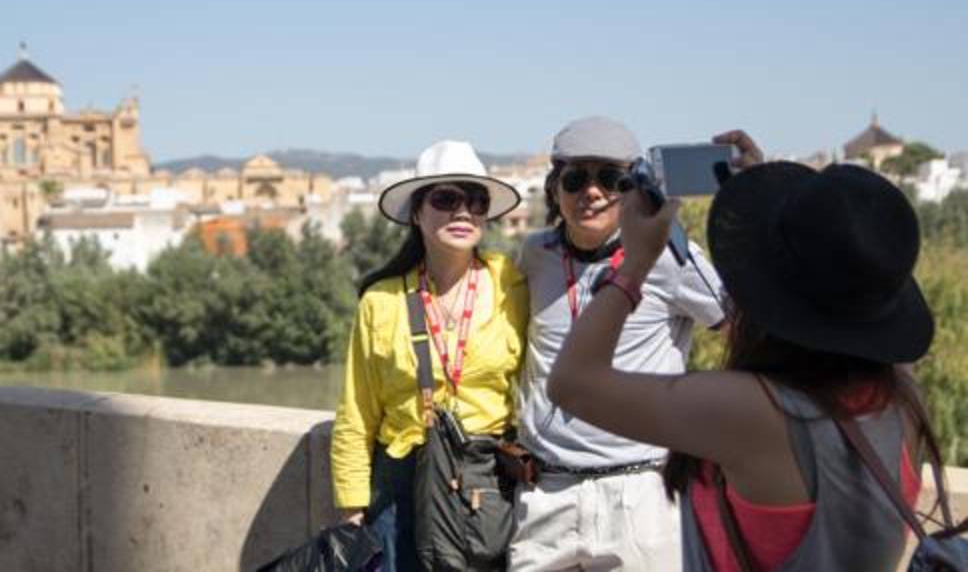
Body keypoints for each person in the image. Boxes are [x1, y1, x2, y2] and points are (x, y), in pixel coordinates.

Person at [548, 130, 952, 570]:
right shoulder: (902, 395)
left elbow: (572, 382)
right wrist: (780, 216)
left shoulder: (757, 411)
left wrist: (636, 263)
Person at [510, 116, 727, 571]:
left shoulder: (671, 259)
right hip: (547, 496)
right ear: (555, 189)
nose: (591, 191)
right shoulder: (535, 254)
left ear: (632, 189)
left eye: (609, 178)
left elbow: (741, 327)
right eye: (575, 178)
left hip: (640, 497)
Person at [331, 140, 529, 572]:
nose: (463, 212)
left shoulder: (511, 282)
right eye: (446, 199)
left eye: (475, 201)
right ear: (417, 213)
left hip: (485, 483)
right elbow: (357, 414)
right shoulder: (381, 301)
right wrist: (351, 509)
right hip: (400, 486)